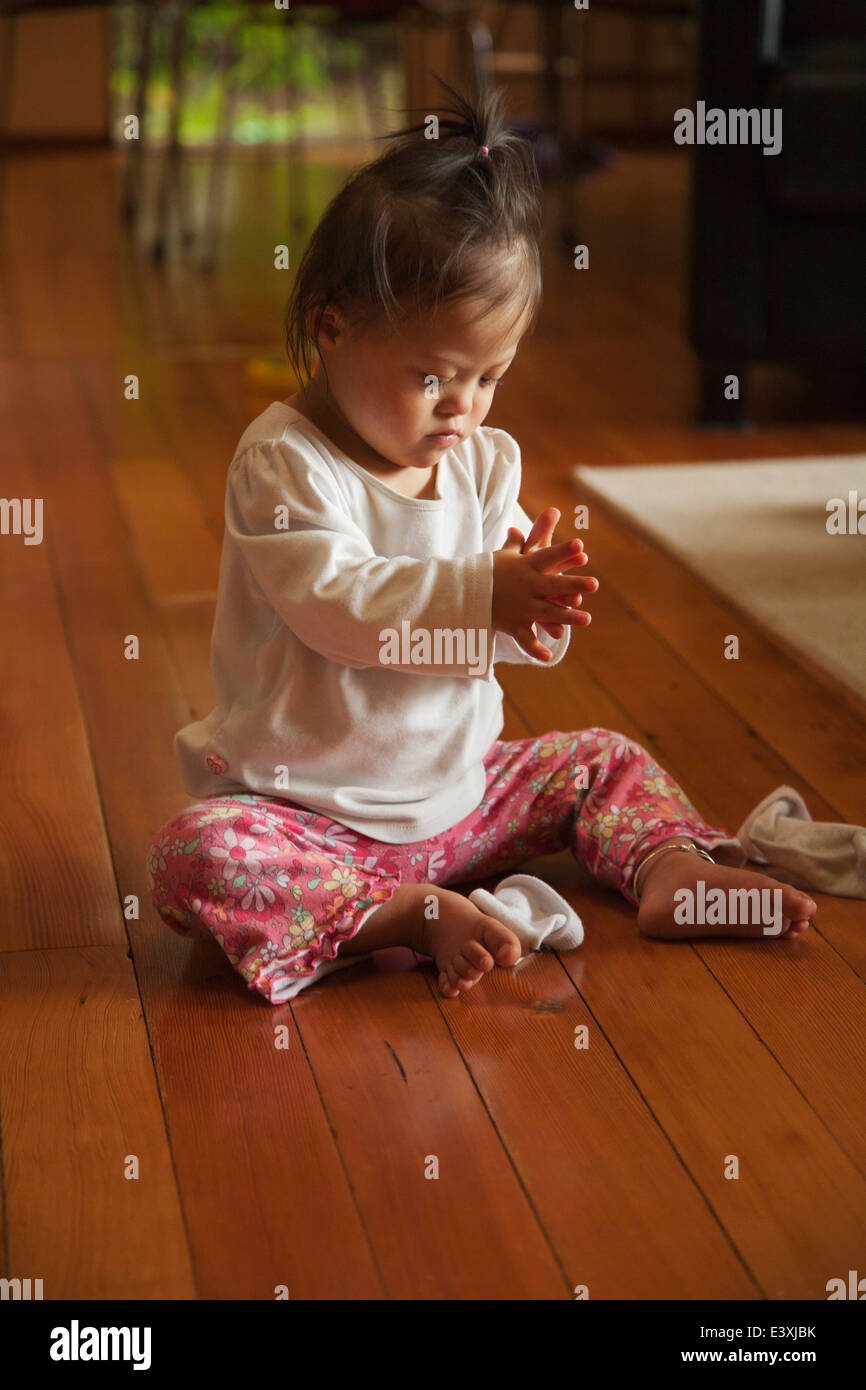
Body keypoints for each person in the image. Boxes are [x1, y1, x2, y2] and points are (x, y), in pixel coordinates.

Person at [145, 83, 816, 1006]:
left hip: (465, 797)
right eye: (433, 376)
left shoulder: (477, 461)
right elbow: (339, 608)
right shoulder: (284, 466)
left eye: (489, 376)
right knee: (196, 855)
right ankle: (398, 915)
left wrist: (535, 610)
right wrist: (480, 596)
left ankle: (669, 872)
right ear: (331, 325)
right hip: (314, 819)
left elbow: (496, 620)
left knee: (603, 759)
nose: (463, 408)